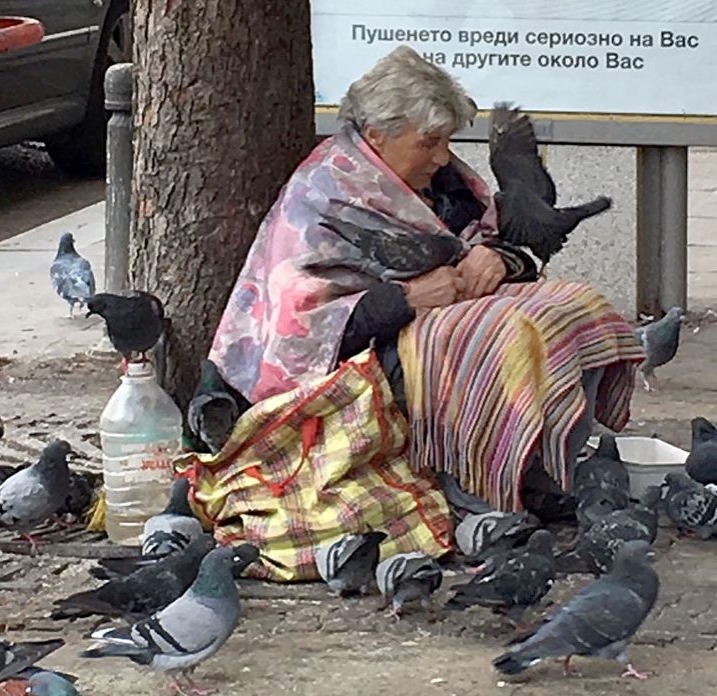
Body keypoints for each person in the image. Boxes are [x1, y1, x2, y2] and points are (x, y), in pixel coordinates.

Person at [208, 46, 644, 513]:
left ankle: (548, 471)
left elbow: (498, 240)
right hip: (359, 363)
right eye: (429, 142)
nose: (442, 156)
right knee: (504, 336)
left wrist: (498, 259)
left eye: (446, 141)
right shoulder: (323, 195)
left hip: (444, 322)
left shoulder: (439, 180)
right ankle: (480, 491)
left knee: (575, 308)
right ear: (376, 135)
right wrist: (406, 297)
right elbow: (301, 331)